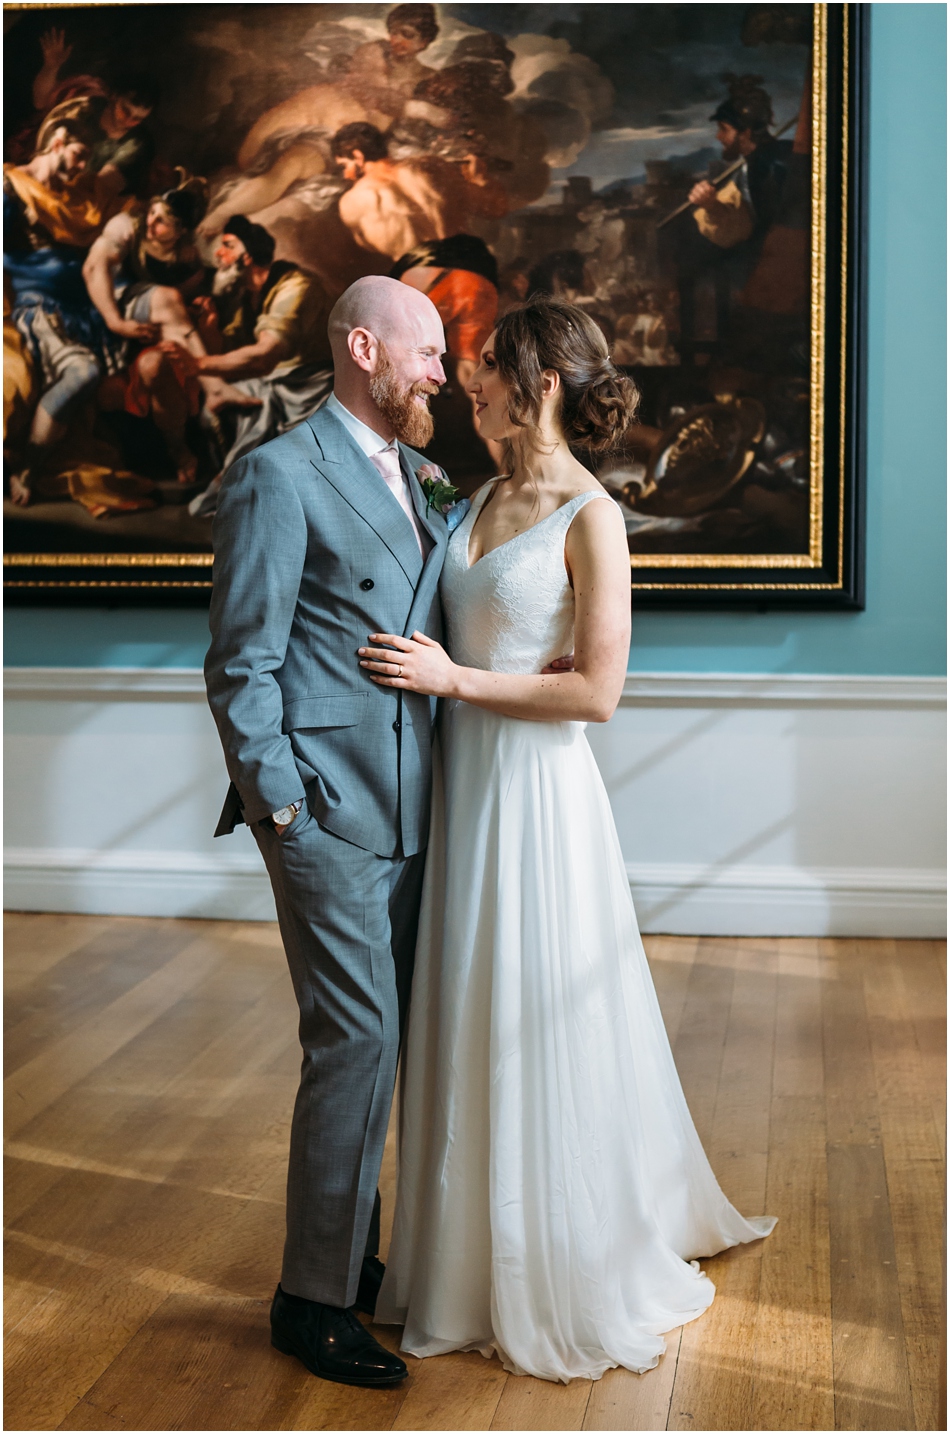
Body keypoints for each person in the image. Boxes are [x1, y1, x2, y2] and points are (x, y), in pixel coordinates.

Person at [361, 297, 776, 1381]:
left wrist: (459, 679)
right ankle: (456, 1262)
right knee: (463, 1008)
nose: (468, 381)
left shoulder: (589, 515)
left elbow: (596, 693)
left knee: (527, 1013)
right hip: (462, 788)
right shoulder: (480, 492)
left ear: (541, 381)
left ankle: (553, 1257)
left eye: (488, 366)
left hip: (536, 802)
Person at [203, 275, 452, 1390]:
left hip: (420, 808)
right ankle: (311, 1301)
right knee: (353, 1044)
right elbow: (240, 661)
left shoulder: (423, 475)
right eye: (430, 350)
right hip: (329, 813)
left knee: (388, 1044)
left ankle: (348, 1258)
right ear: (364, 347)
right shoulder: (276, 473)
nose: (442, 371)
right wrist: (282, 808)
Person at [187, 215, 334, 514]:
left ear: (249, 255)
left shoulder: (297, 286)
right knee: (217, 406)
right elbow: (233, 355)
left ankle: (236, 492)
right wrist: (210, 330)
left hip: (310, 385)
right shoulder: (247, 297)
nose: (218, 254)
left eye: (227, 246)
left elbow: (264, 357)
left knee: (257, 404)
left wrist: (198, 363)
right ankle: (244, 490)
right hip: (276, 380)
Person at [3, 110, 110, 503]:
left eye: (88, 161)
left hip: (82, 314)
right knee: (83, 372)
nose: (82, 167)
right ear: (58, 141)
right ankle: (28, 468)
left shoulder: (74, 200)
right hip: (38, 309)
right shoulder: (11, 188)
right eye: (79, 155)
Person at [332, 122, 504, 264]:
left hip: (420, 285)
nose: (346, 175)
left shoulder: (352, 200)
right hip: (469, 268)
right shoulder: (431, 168)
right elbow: (495, 208)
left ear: (358, 156)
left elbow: (371, 246)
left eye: (344, 166)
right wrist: (480, 179)